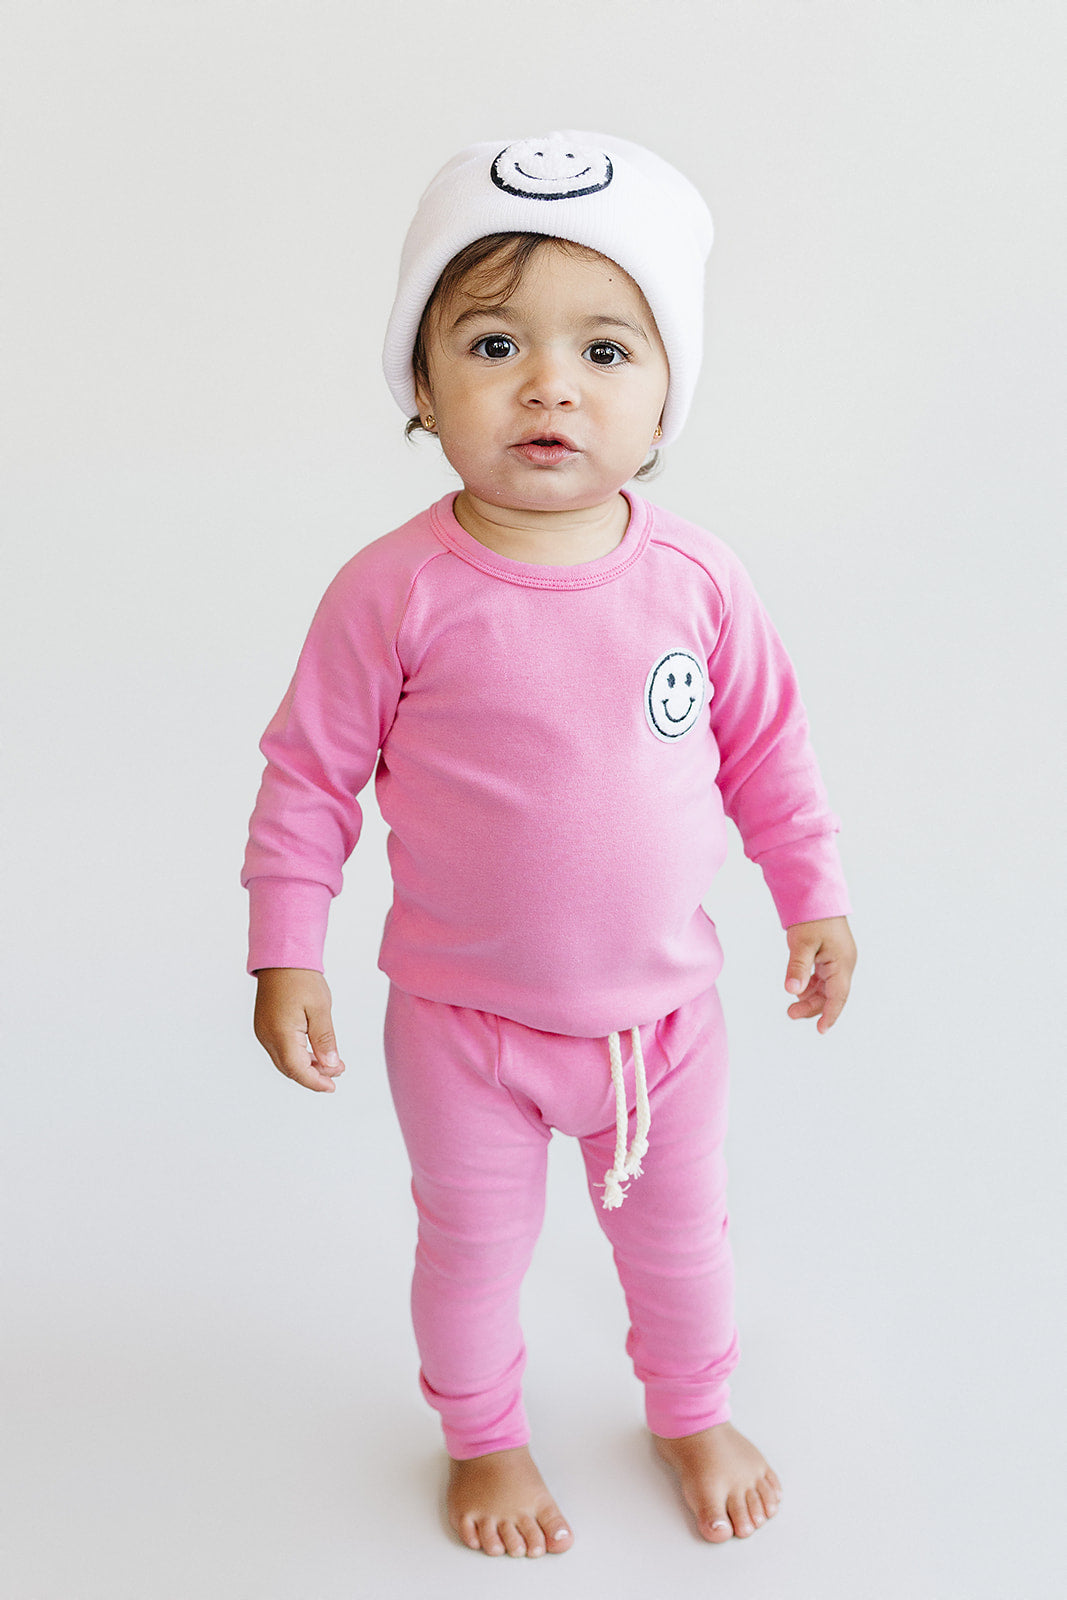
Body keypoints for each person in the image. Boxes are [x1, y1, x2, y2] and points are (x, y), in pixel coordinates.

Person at [242, 130, 857, 1559]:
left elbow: (768, 751)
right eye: (497, 341)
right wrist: (289, 952)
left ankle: (691, 1409)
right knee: (470, 1252)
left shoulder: (700, 581)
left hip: (668, 1025)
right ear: (421, 384)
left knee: (685, 1245)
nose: (549, 386)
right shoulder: (391, 593)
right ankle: (485, 1441)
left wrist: (813, 899)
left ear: (665, 394)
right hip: (465, 1028)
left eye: (604, 350)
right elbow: (307, 779)